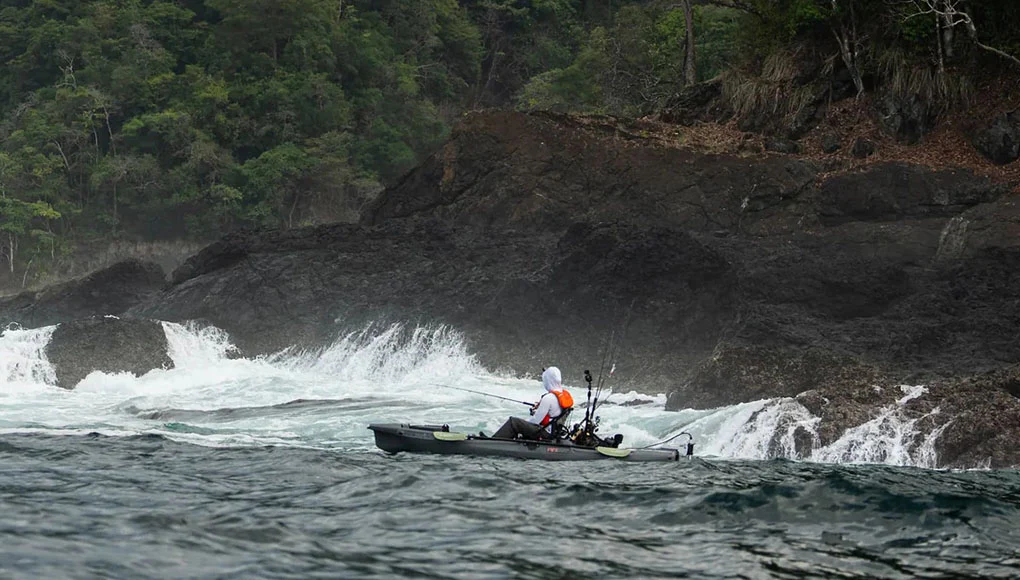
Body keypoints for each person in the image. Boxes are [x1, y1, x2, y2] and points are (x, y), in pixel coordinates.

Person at [488, 366, 573, 440]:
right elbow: (554, 413)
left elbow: (535, 421)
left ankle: (492, 441)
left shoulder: (548, 398)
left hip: (545, 434)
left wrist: (525, 423)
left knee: (513, 422)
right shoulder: (564, 395)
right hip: (554, 432)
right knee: (521, 423)